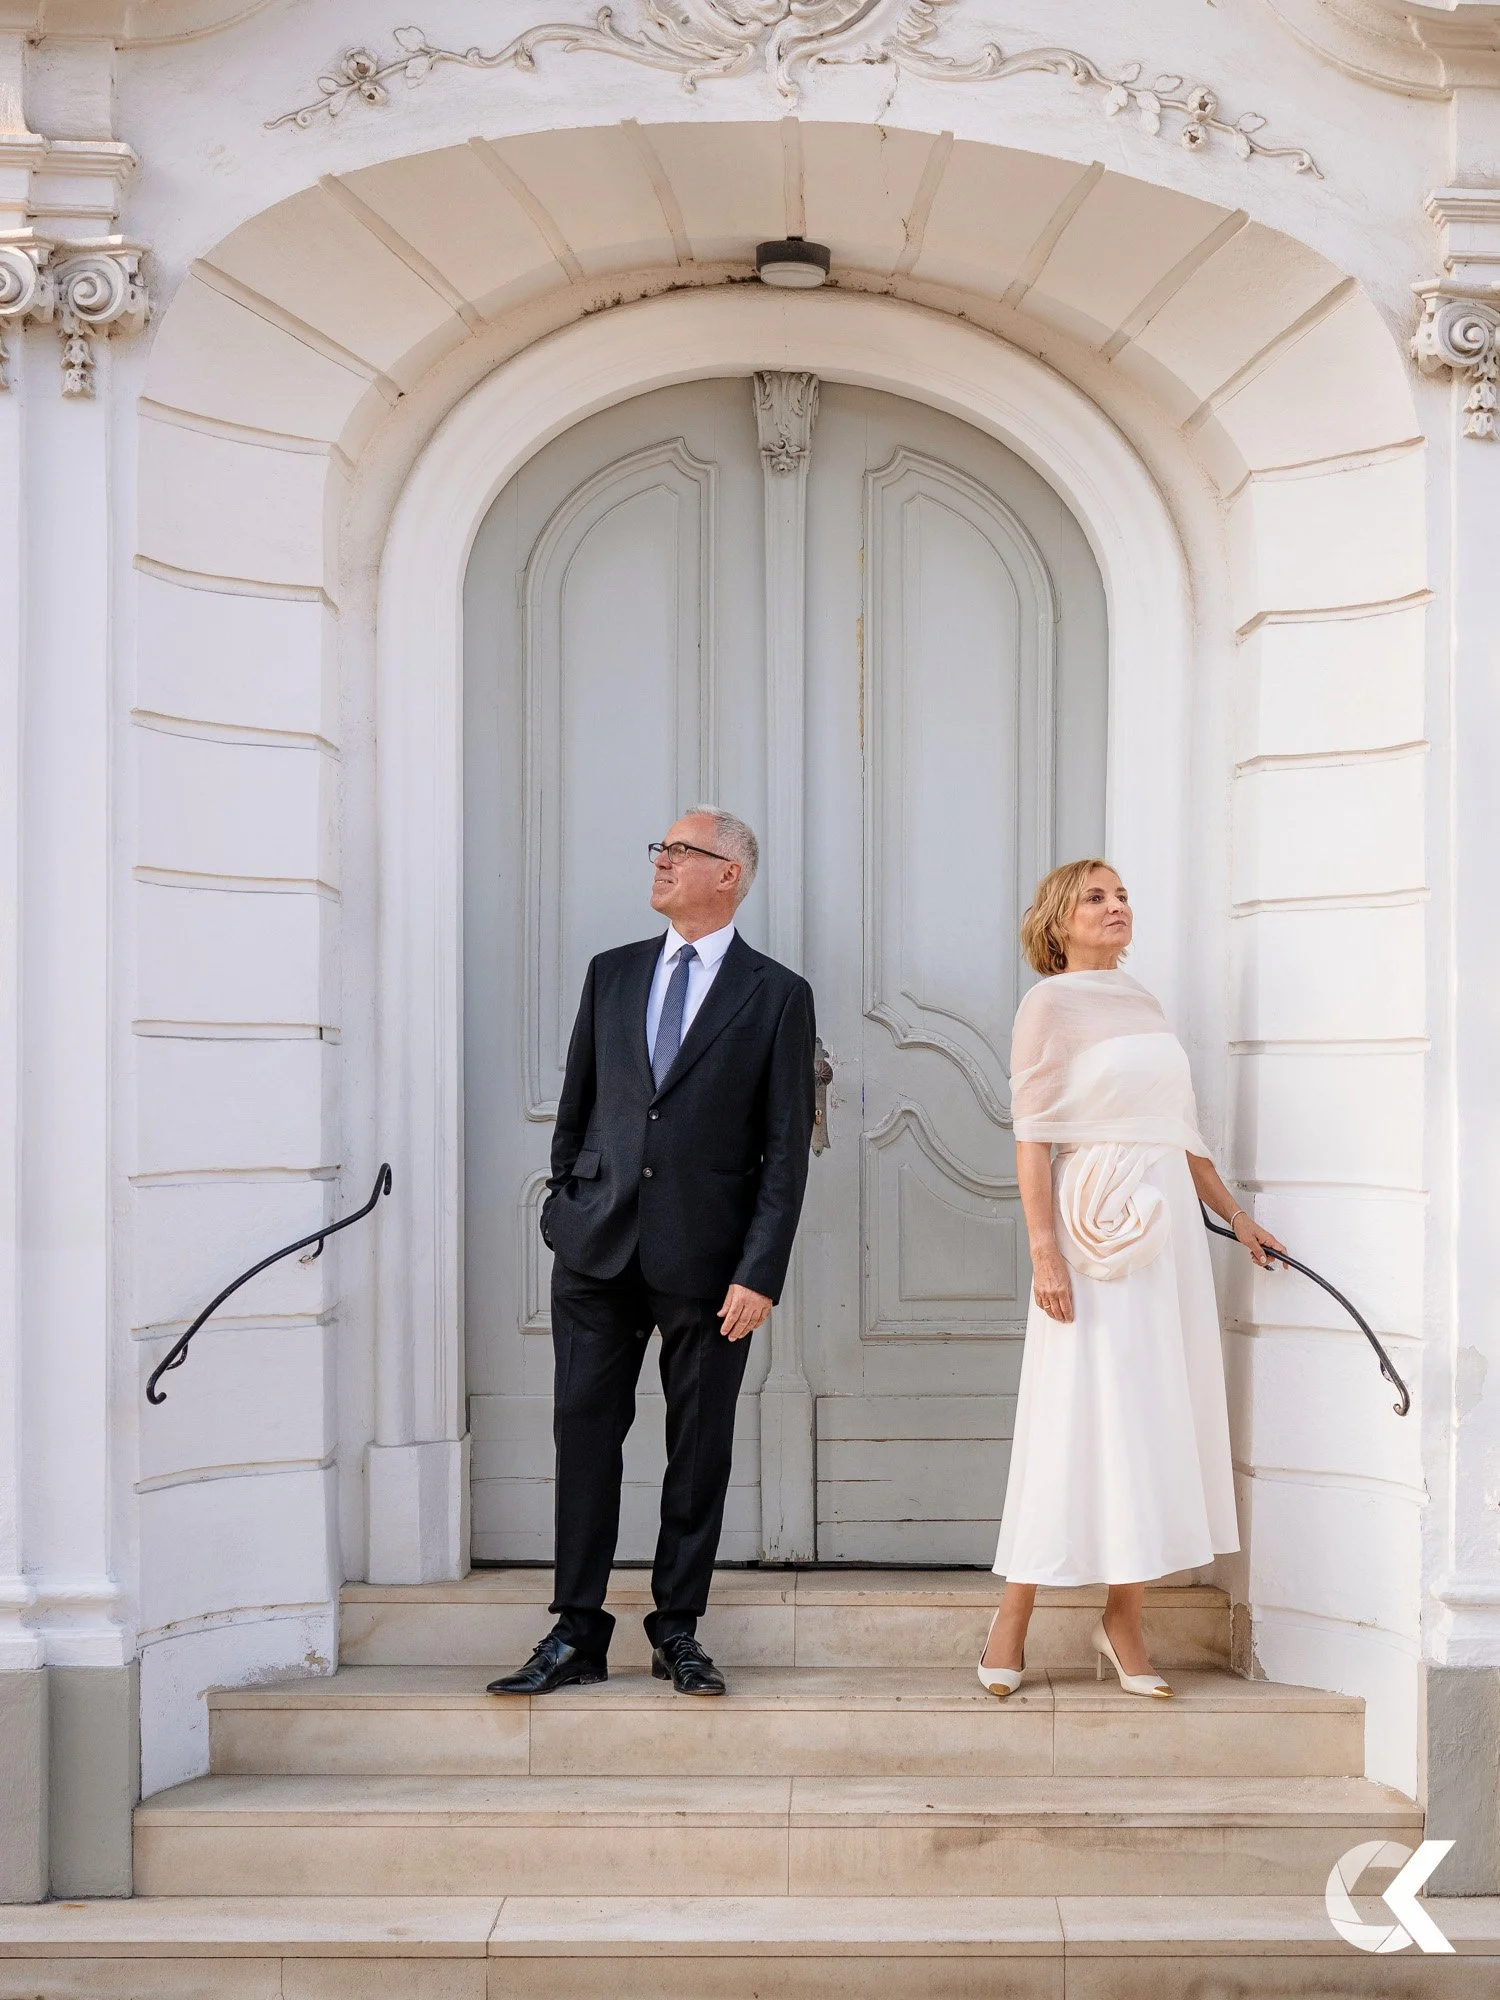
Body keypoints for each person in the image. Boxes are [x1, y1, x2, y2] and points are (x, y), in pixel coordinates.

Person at [488, 807, 816, 1699]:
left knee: (697, 1449)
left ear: (729, 876)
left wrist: (761, 1270)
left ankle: (677, 1628)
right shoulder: (613, 973)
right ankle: (576, 1631)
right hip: (595, 1250)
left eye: (684, 851)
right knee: (586, 1441)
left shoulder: (776, 994)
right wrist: (565, 1205)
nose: (663, 861)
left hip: (712, 1269)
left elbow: (785, 1151)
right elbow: (577, 1104)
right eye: (661, 849)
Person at [978, 859, 1285, 1699]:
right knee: (1072, 1410)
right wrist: (1044, 1250)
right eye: (1095, 897)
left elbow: (1179, 1131)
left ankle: (1124, 1618)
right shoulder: (1047, 1005)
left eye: (1122, 896)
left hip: (1167, 1237)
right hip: (1090, 1230)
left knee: (1150, 1412)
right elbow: (1033, 1133)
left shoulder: (1144, 1001)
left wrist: (1238, 1215)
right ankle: (1015, 1615)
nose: (1115, 908)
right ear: (1058, 918)